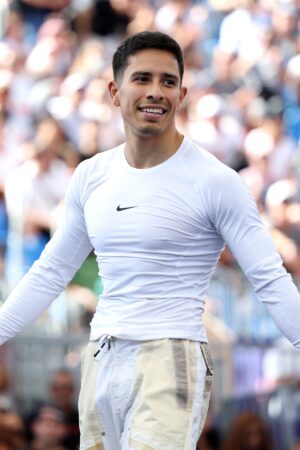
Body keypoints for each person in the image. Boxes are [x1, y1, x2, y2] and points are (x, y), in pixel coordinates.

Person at [0, 30, 300, 450]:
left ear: (182, 94)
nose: (155, 92)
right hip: (101, 356)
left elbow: (269, 278)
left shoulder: (216, 181)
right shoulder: (90, 176)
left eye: (168, 81)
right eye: (142, 79)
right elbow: (50, 273)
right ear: (114, 91)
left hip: (172, 357)